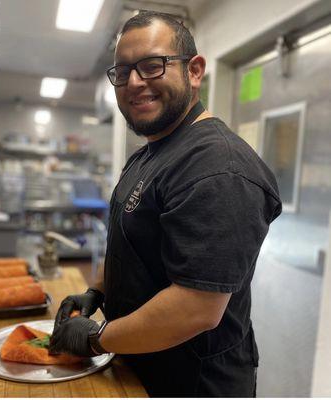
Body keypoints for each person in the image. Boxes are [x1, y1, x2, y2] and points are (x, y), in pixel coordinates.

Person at [49, 11, 282, 397]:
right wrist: (98, 292)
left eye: (152, 66)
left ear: (194, 71)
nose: (135, 83)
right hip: (138, 368)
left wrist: (96, 338)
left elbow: (195, 308)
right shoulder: (151, 153)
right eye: (123, 72)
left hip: (192, 383)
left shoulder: (217, 167)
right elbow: (134, 245)